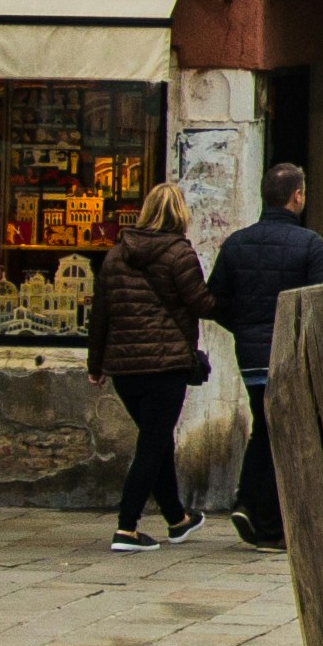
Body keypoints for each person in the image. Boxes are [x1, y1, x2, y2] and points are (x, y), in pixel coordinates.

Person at [204, 165, 323, 547]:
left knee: (266, 427)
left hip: (251, 358)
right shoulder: (311, 244)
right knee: (283, 434)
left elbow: (213, 300)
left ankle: (251, 506)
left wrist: (243, 327)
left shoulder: (236, 244)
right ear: (297, 196)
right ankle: (265, 518)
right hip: (290, 356)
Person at [88, 182, 210, 553]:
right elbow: (202, 303)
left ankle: (177, 518)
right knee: (152, 444)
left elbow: (100, 314)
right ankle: (126, 528)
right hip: (165, 365)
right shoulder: (179, 254)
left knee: (157, 439)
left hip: (125, 370)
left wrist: (95, 364)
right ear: (180, 214)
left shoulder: (115, 256)